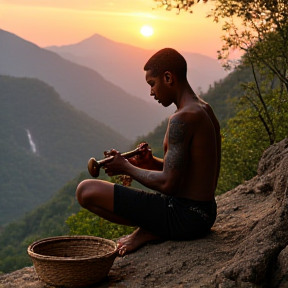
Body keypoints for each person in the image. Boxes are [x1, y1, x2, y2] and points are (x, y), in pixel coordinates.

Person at [76, 48, 221, 256]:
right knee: (90, 191)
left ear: (168, 77)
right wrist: (149, 163)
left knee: (85, 191)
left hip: (183, 217)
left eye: (152, 84)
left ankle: (152, 229)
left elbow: (169, 184)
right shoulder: (204, 109)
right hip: (204, 214)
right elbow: (193, 173)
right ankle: (152, 228)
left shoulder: (182, 119)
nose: (151, 92)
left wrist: (125, 167)